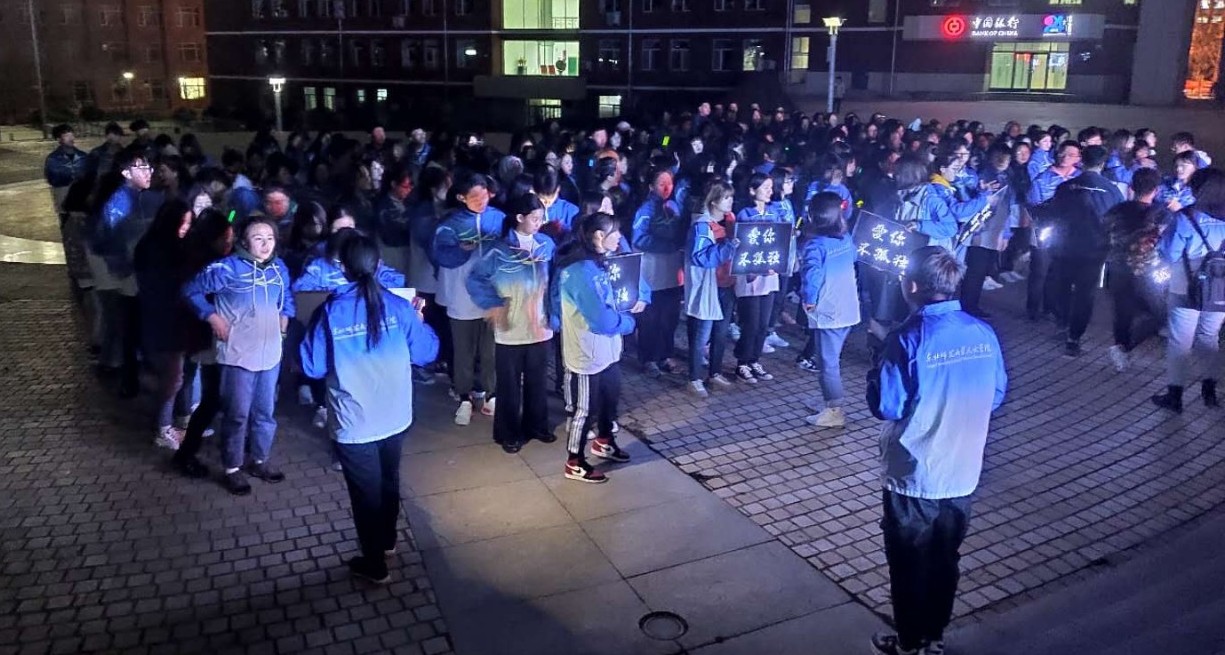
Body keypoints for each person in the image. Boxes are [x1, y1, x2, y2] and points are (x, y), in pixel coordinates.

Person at [867, 246, 1007, 655]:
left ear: (911, 286)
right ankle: (934, 636)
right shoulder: (982, 333)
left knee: (908, 563)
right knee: (946, 559)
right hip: (963, 470)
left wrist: (878, 363)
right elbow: (996, 394)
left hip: (916, 473)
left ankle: (909, 643)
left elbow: (887, 406)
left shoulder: (908, 338)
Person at [301, 232, 439, 584]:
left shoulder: (329, 311)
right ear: (378, 265)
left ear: (342, 268)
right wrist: (420, 322)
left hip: (355, 422)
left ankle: (375, 563)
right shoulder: (398, 306)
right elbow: (427, 352)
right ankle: (388, 541)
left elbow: (312, 366)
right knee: (389, 480)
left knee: (366, 494)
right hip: (395, 416)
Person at [183, 217, 296, 495]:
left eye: (270, 238)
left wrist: (284, 320)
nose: (265, 244)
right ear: (244, 241)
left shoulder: (279, 268)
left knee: (265, 412)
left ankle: (259, 460)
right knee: (237, 414)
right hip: (237, 355)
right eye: (258, 238)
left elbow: (287, 299)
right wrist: (211, 316)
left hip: (271, 354)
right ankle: (232, 468)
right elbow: (190, 290)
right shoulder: (226, 268)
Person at [466, 194, 556, 453]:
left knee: (537, 381)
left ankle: (537, 426)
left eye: (541, 218)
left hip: (540, 325)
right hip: (510, 327)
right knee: (509, 384)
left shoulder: (546, 245)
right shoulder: (498, 250)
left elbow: (554, 279)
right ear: (519, 217)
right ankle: (508, 433)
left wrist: (554, 312)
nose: (539, 223)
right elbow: (475, 279)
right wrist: (493, 303)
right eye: (535, 218)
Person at [551, 213, 637, 483]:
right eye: (615, 233)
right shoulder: (579, 271)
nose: (620, 238)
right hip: (586, 354)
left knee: (610, 399)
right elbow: (600, 319)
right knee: (584, 410)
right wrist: (628, 322)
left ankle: (604, 441)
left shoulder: (602, 261)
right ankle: (575, 461)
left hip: (607, 350)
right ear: (599, 236)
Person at [1031, 145, 1124, 356]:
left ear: (1081, 161)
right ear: (1102, 164)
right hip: (1095, 250)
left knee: (1062, 286)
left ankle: (1063, 322)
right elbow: (1118, 220)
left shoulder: (1066, 187)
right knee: (1085, 293)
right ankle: (1074, 336)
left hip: (1064, 247)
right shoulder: (1112, 190)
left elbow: (1052, 214)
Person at [1152, 167, 1225, 412]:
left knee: (1180, 341)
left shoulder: (1186, 217)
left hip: (1185, 286)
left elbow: (1170, 253)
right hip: (1220, 289)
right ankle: (1210, 391)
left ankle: (1175, 396)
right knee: (1210, 337)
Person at [433, 174, 504, 425]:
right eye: (474, 196)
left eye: (484, 194)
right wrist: (460, 249)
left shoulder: (499, 218)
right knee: (463, 351)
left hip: (492, 295)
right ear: (461, 197)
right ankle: (464, 396)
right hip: (461, 294)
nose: (480, 200)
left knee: (491, 349)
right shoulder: (450, 224)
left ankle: (491, 393)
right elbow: (440, 255)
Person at [171, 208, 234, 479]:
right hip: (208, 340)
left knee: (211, 397)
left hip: (204, 338)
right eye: (225, 239)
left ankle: (187, 452)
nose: (229, 244)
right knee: (212, 398)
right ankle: (186, 454)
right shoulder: (206, 267)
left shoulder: (196, 257)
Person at [133, 198, 197, 451]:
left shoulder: (158, 245)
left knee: (179, 374)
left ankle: (176, 420)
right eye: (183, 223)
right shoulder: (160, 250)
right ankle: (163, 427)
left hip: (170, 320)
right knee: (173, 377)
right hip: (166, 322)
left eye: (189, 223)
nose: (186, 228)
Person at [91, 147, 155, 398]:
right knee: (131, 327)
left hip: (138, 274)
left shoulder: (138, 197)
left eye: (148, 167)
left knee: (133, 328)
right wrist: (125, 268)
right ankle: (130, 380)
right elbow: (110, 240)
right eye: (141, 167)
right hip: (132, 277)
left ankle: (133, 379)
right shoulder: (121, 201)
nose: (148, 172)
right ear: (126, 172)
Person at [798, 192, 860, 428]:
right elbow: (854, 257)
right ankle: (829, 401)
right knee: (832, 360)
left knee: (828, 363)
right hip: (848, 308)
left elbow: (811, 275)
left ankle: (834, 410)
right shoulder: (844, 239)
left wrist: (809, 299)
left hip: (829, 311)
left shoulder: (815, 245)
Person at [1104, 168, 1167, 372]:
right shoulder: (1160, 214)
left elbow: (1103, 235)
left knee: (1123, 313)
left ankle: (1120, 349)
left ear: (1131, 187)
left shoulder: (1116, 210)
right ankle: (1125, 348)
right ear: (1156, 190)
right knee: (1160, 313)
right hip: (1147, 271)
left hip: (1117, 267)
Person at [684, 180, 739, 397]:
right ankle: (694, 378)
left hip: (726, 283)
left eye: (731, 197)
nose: (730, 201)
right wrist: (728, 246)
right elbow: (700, 258)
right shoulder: (701, 226)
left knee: (721, 332)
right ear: (713, 201)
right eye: (726, 197)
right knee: (701, 335)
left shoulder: (730, 223)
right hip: (708, 287)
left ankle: (714, 372)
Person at [632, 169, 686, 378]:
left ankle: (665, 355)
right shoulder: (645, 210)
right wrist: (668, 244)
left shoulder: (675, 206)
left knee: (670, 317)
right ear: (651, 186)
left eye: (670, 183)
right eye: (661, 183)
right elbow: (639, 239)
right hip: (652, 272)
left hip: (671, 271)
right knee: (651, 318)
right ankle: (649, 359)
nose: (666, 187)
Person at [1024, 141, 1082, 322]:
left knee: (1058, 273)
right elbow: (1032, 205)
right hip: (1045, 231)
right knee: (1039, 271)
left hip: (1070, 235)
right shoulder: (1042, 179)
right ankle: (1033, 309)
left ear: (1078, 158)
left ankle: (1052, 307)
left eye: (1071, 155)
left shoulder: (1080, 178)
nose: (1065, 157)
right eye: (1062, 153)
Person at [733, 173, 780, 384]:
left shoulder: (774, 213)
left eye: (771, 187)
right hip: (750, 276)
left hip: (769, 275)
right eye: (765, 187)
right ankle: (742, 362)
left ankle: (754, 360)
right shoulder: (745, 214)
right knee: (750, 323)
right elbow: (744, 244)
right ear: (752, 191)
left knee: (763, 323)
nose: (770, 191)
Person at [44, 124, 89, 215]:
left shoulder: (83, 156)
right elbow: (52, 179)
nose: (71, 138)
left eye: (72, 135)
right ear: (58, 139)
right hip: (63, 199)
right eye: (67, 136)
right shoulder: (53, 158)